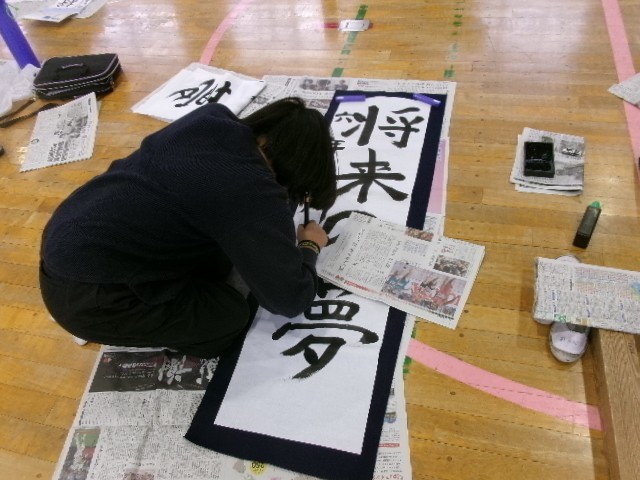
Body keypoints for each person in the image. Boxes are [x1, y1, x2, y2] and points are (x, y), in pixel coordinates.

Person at [39, 97, 337, 358]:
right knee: (227, 317)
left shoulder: (211, 119)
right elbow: (290, 298)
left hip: (68, 237)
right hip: (90, 298)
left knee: (226, 252)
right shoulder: (249, 190)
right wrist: (309, 246)